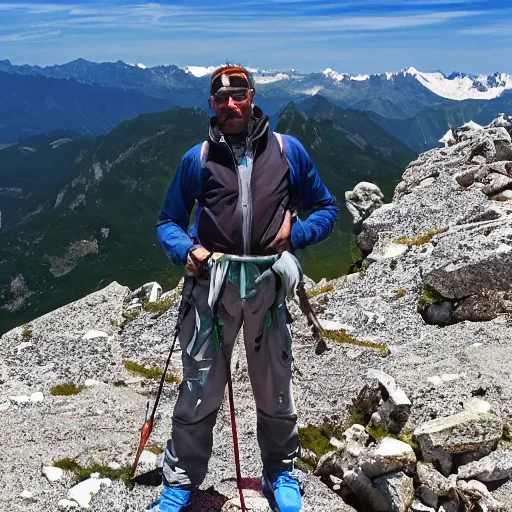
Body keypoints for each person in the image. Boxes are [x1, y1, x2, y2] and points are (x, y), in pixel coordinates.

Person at [149, 65, 339, 512]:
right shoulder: (197, 159)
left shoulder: (288, 151)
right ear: (212, 105)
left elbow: (325, 208)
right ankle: (181, 480)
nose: (232, 106)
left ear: (253, 96)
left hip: (267, 284)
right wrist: (185, 251)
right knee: (199, 387)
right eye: (221, 99)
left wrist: (298, 236)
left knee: (274, 384)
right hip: (213, 285)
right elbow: (168, 222)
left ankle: (279, 471)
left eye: (240, 96)